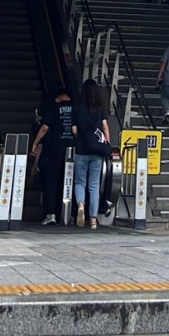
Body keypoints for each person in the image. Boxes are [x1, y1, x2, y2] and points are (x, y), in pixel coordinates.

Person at [71, 79, 110, 229]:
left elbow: (74, 130)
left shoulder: (77, 108)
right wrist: (106, 143)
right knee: (94, 185)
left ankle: (81, 205)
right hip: (96, 151)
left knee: (80, 182)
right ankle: (93, 219)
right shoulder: (100, 109)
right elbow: (105, 127)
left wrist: (81, 136)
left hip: (81, 150)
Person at [32, 86, 74, 225]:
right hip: (73, 150)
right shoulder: (78, 108)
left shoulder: (54, 108)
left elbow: (44, 128)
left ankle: (51, 213)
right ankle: (69, 214)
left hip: (56, 148)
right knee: (70, 180)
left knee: (51, 180)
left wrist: (35, 143)